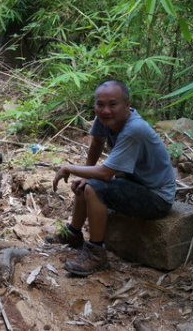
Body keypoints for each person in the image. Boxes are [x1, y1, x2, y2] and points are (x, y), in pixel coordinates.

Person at [49, 80, 175, 276]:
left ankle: (96, 253)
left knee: (94, 187)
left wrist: (70, 168)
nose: (106, 110)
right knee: (85, 184)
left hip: (156, 197)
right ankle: (73, 234)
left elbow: (106, 173)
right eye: (100, 104)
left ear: (127, 105)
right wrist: (85, 171)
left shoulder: (134, 129)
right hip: (133, 183)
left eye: (112, 104)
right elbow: (97, 142)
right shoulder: (106, 118)